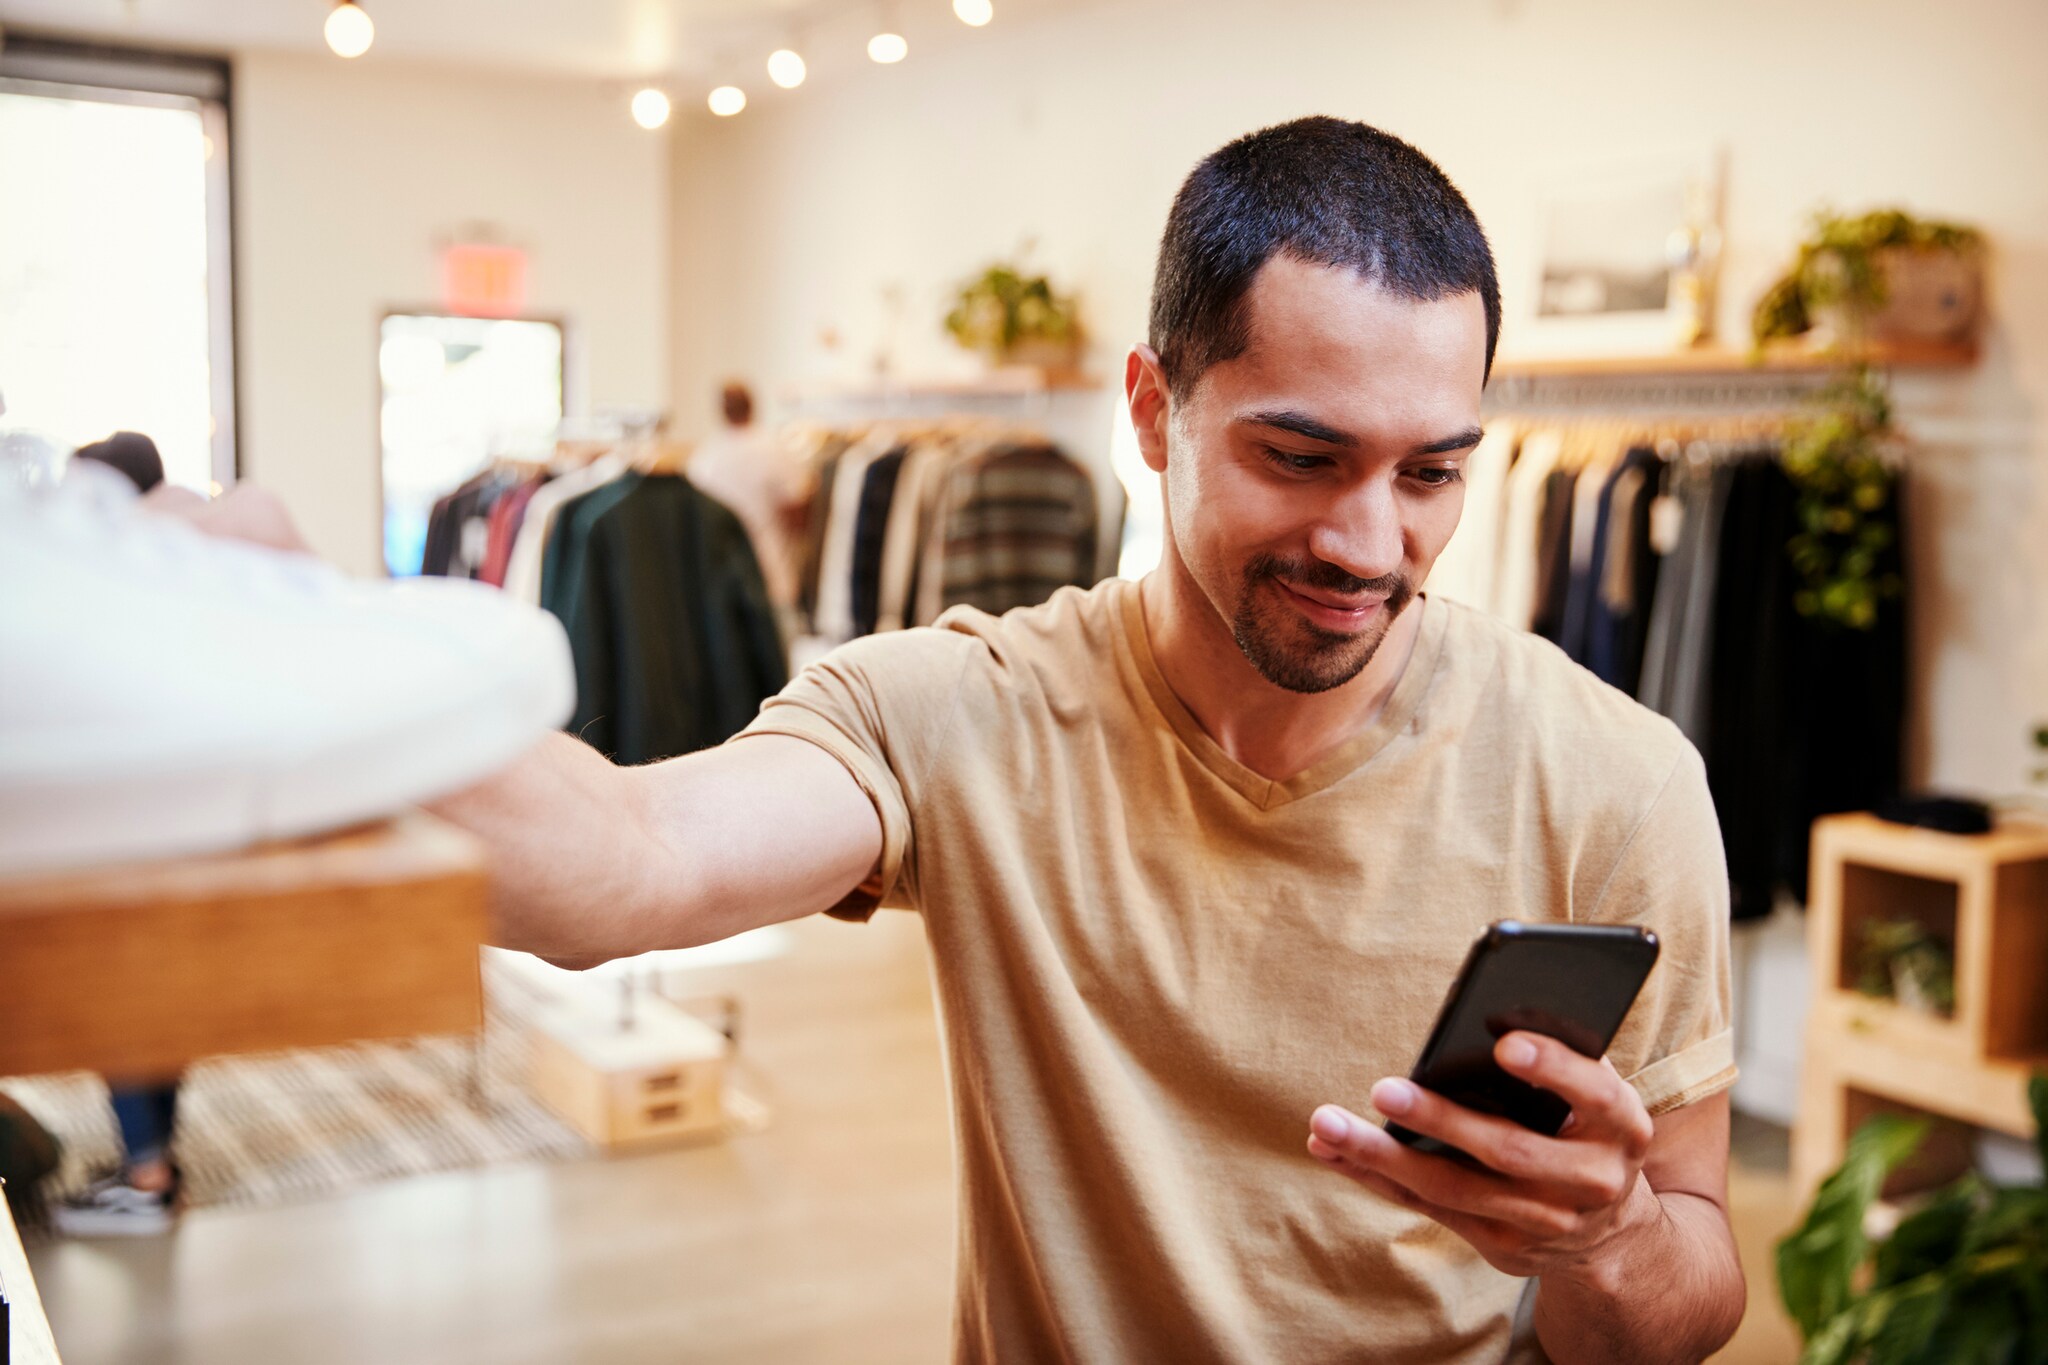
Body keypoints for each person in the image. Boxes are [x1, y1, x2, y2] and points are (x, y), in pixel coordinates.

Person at [351, 119, 1741, 1360]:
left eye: (1431, 472)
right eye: (1301, 458)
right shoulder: (967, 711)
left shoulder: (1614, 781)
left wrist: (1605, 1233)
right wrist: (246, 644)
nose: (1373, 544)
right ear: (1152, 410)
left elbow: (1689, 1300)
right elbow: (627, 864)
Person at [53, 431, 187, 1236]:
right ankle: (156, 1159)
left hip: (120, 816)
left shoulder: (101, 577)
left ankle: (146, 1178)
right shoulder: (176, 565)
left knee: (119, 990)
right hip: (176, 811)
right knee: (159, 989)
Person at [685, 379, 814, 624]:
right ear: (752, 406)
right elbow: (799, 517)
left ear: (721, 410)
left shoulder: (705, 458)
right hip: (772, 573)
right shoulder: (775, 450)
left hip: (722, 576)